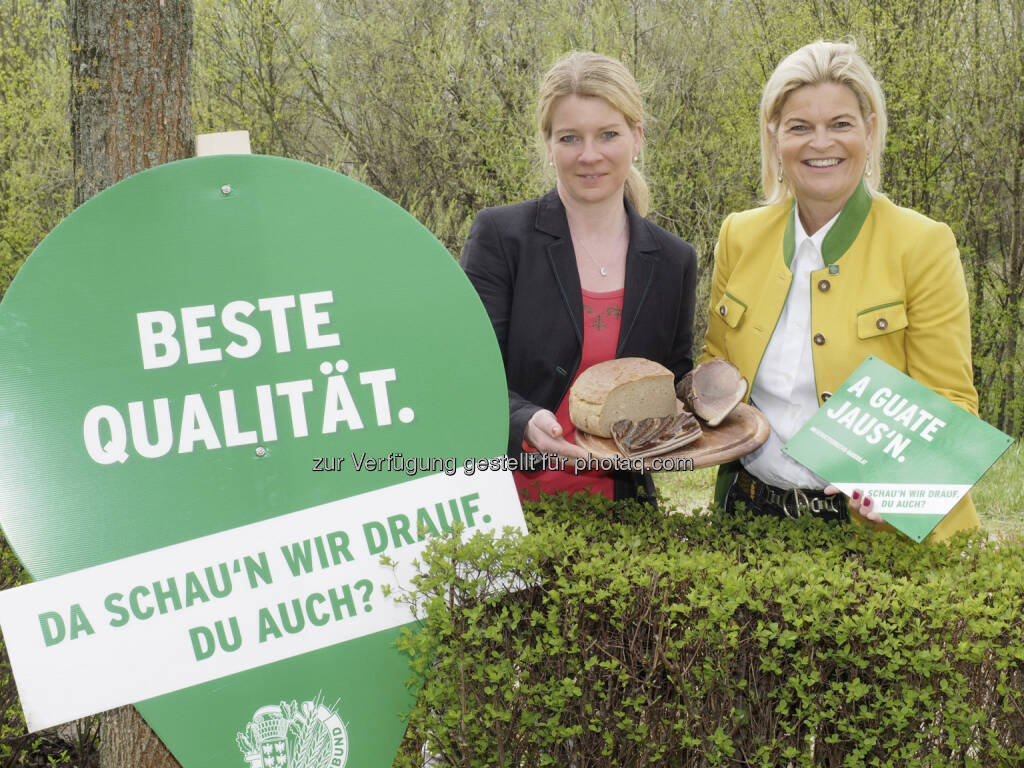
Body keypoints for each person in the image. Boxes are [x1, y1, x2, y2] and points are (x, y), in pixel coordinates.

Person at [705, 40, 979, 541]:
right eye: (800, 127)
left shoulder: (922, 244)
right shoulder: (738, 236)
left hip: (875, 534)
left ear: (869, 130)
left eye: (841, 124)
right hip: (744, 519)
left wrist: (898, 490)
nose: (820, 143)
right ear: (775, 137)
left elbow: (952, 403)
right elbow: (716, 374)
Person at [461, 51, 697, 502]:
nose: (589, 156)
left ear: (637, 137)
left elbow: (672, 377)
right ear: (548, 145)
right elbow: (467, 370)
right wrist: (522, 419)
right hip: (509, 503)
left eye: (608, 134)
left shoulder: (673, 260)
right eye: (570, 138)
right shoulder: (501, 237)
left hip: (624, 514)